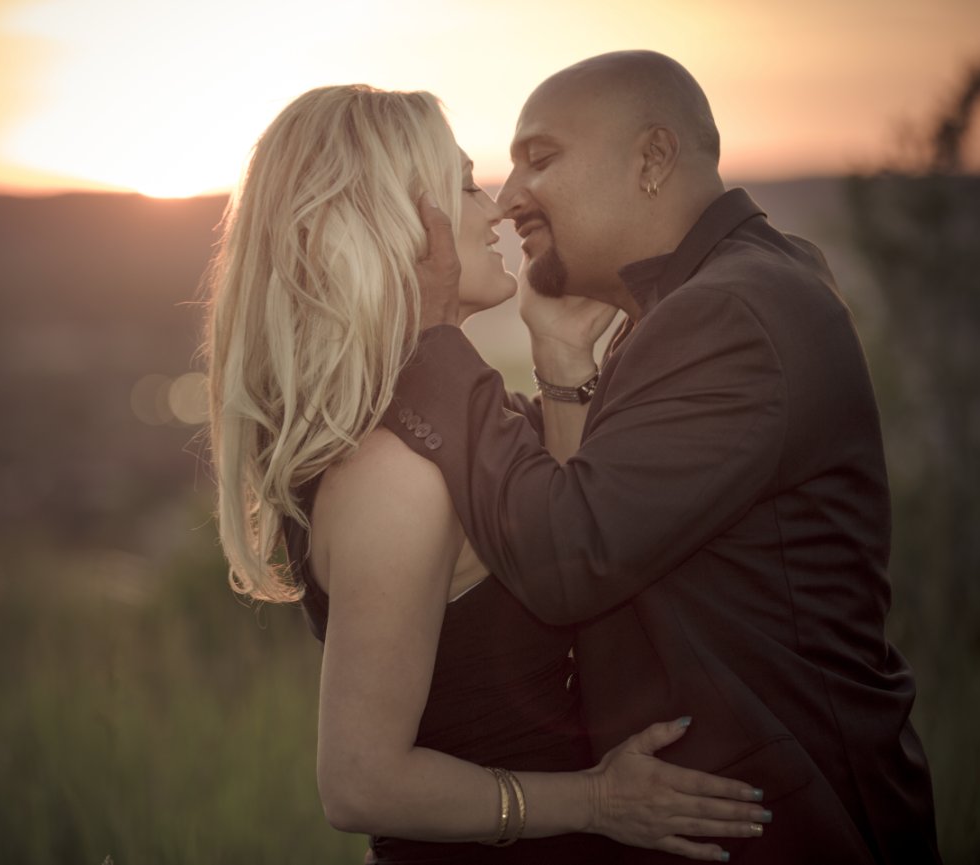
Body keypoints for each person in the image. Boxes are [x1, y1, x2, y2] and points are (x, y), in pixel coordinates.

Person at [385, 52, 942, 864]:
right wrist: (562, 365)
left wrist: (438, 344)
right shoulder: (730, 290)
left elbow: (568, 557)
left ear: (650, 160)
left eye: (541, 158)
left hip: (780, 821)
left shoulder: (728, 313)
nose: (507, 200)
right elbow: (593, 512)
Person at [206, 84, 773, 864]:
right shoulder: (390, 474)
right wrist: (598, 800)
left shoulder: (449, 420)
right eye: (464, 185)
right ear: (397, 226)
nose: (497, 211)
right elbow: (360, 780)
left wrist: (561, 359)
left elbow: (572, 562)